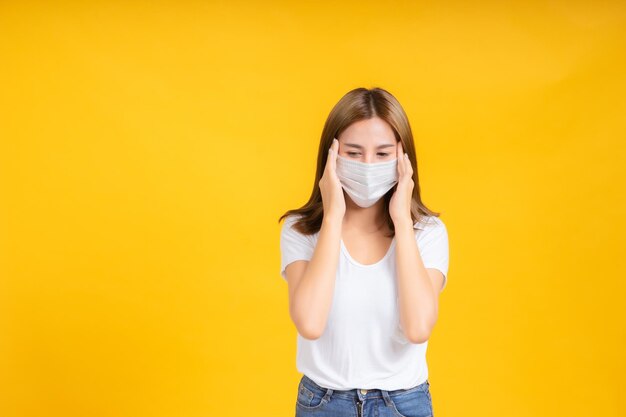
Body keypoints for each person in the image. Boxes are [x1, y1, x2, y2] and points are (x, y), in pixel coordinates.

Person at [278, 87, 449, 417]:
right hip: (323, 404)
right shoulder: (301, 230)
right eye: (353, 153)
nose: (367, 165)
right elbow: (310, 323)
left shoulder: (427, 234)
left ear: (404, 159)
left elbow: (417, 328)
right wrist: (332, 216)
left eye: (382, 154)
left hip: (404, 403)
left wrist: (401, 219)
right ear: (331, 156)